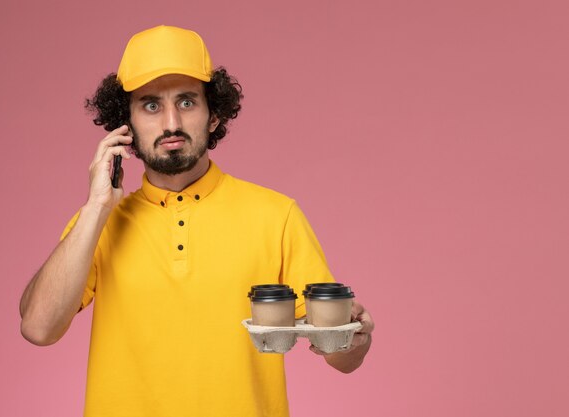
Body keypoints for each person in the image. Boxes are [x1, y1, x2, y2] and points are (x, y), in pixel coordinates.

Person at [19, 25, 374, 417]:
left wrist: (354, 336)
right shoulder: (97, 223)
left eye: (186, 102)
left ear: (214, 116)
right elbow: (38, 329)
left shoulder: (277, 215)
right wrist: (95, 208)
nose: (171, 122)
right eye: (151, 105)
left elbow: (340, 356)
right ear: (127, 125)